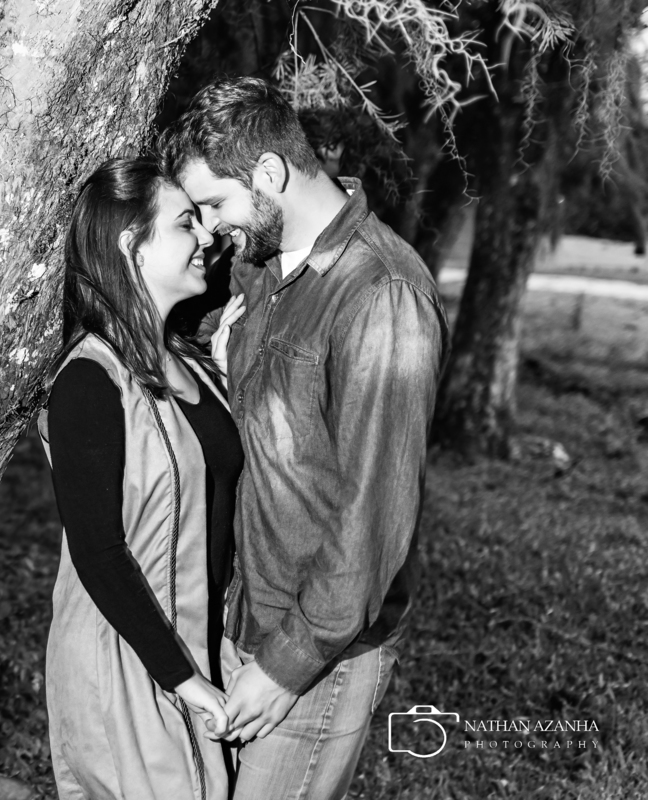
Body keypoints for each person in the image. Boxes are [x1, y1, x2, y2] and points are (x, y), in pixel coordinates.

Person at [159, 77, 450, 799]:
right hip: (244, 617)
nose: (210, 228)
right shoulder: (261, 266)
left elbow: (373, 514)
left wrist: (285, 666)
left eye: (215, 204)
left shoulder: (381, 294)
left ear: (269, 172)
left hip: (320, 653)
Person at [40, 156, 246, 800]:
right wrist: (184, 680)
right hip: (128, 658)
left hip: (200, 644)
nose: (206, 235)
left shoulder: (193, 364)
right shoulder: (89, 380)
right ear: (132, 245)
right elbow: (98, 553)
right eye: (185, 223)